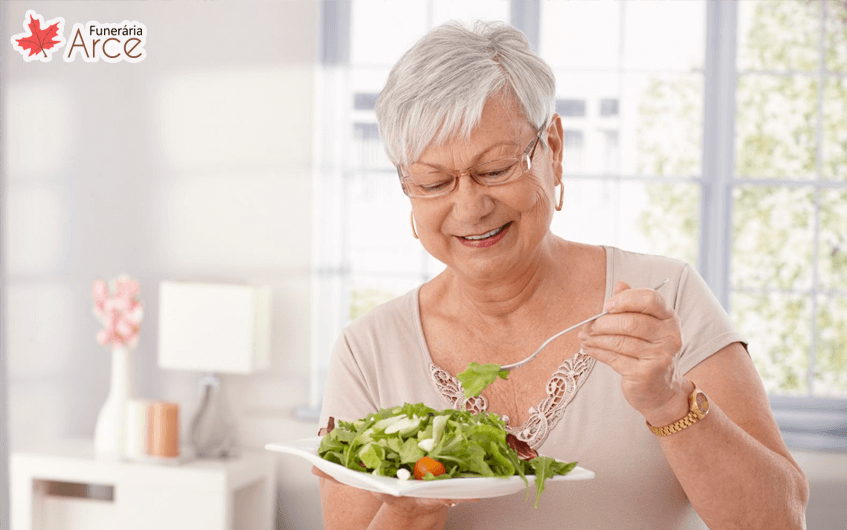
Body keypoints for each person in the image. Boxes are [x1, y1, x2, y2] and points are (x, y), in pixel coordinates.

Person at [316, 21, 808, 530]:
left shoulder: (665, 297)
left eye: (496, 169)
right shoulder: (367, 351)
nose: (470, 207)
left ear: (552, 146)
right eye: (434, 182)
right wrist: (407, 508)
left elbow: (782, 520)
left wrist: (668, 401)